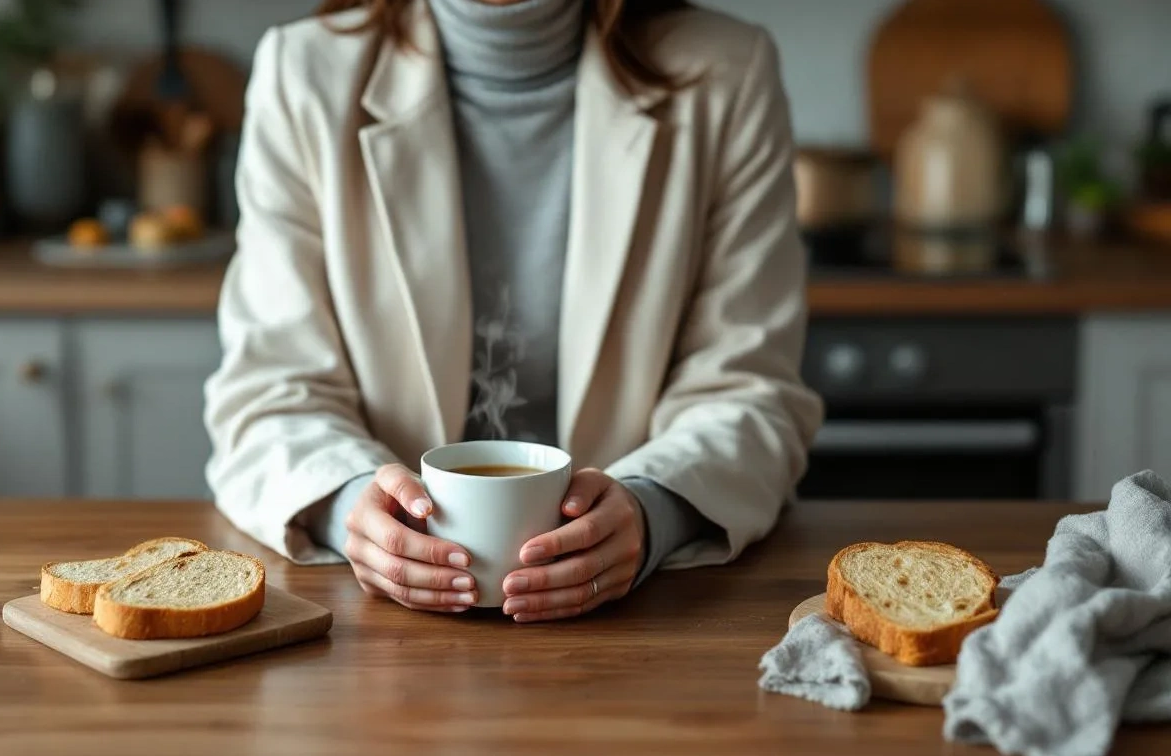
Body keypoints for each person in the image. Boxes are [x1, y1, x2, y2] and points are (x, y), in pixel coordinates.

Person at [203, 0, 824, 623]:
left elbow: (749, 387)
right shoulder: (304, 69)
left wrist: (650, 509)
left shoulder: (727, 70)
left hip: (643, 619)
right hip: (379, 623)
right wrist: (355, 516)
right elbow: (271, 389)